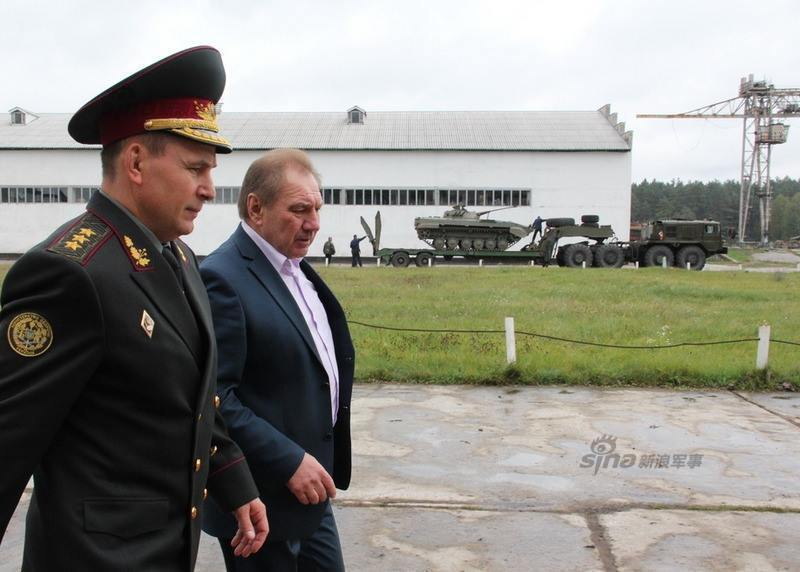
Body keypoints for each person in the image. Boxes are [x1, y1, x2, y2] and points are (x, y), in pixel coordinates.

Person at [0, 46, 267, 570]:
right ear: (137, 162)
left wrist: (233, 479)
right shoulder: (71, 274)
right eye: (195, 168)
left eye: (210, 170)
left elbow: (188, 396)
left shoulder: (178, 257)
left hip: (166, 551)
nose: (209, 189)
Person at [200, 149, 354, 571]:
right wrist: (288, 460)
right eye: (299, 209)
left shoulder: (294, 268)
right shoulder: (223, 277)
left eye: (317, 209)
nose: (314, 223)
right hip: (258, 500)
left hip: (310, 493)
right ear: (256, 208)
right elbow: (214, 398)